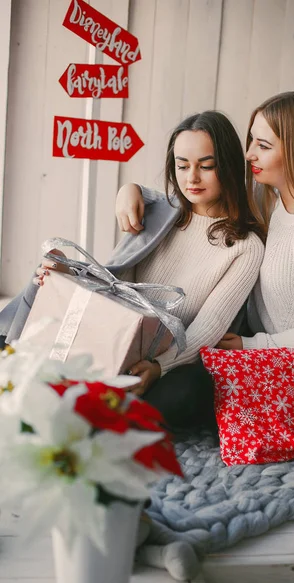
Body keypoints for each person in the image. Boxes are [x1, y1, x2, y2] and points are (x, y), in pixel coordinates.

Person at [115, 91, 294, 421]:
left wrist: (251, 346)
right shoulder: (269, 196)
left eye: (263, 146)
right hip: (265, 357)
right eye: (251, 141)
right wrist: (132, 191)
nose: (249, 154)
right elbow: (190, 196)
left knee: (191, 388)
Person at [7, 111, 264, 431]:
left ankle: (86, 413)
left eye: (206, 166)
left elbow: (208, 328)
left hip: (160, 360)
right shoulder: (162, 212)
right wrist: (67, 277)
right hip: (112, 336)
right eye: (182, 166)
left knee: (192, 389)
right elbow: (116, 284)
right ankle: (29, 383)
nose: (192, 178)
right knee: (43, 280)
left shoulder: (245, 246)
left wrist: (160, 366)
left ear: (226, 165)